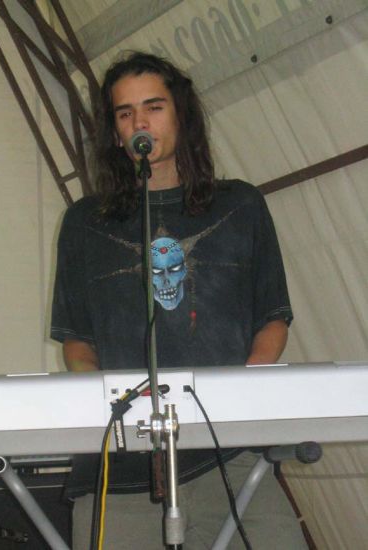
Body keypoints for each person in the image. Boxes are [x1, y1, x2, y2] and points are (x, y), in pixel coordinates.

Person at [51, 52, 307, 549]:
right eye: (125, 113)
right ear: (115, 132)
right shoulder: (85, 222)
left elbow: (273, 318)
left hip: (230, 456)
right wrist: (112, 409)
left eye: (154, 107)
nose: (139, 123)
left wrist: (239, 397)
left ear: (181, 116)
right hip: (122, 471)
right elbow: (78, 342)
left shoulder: (241, 204)